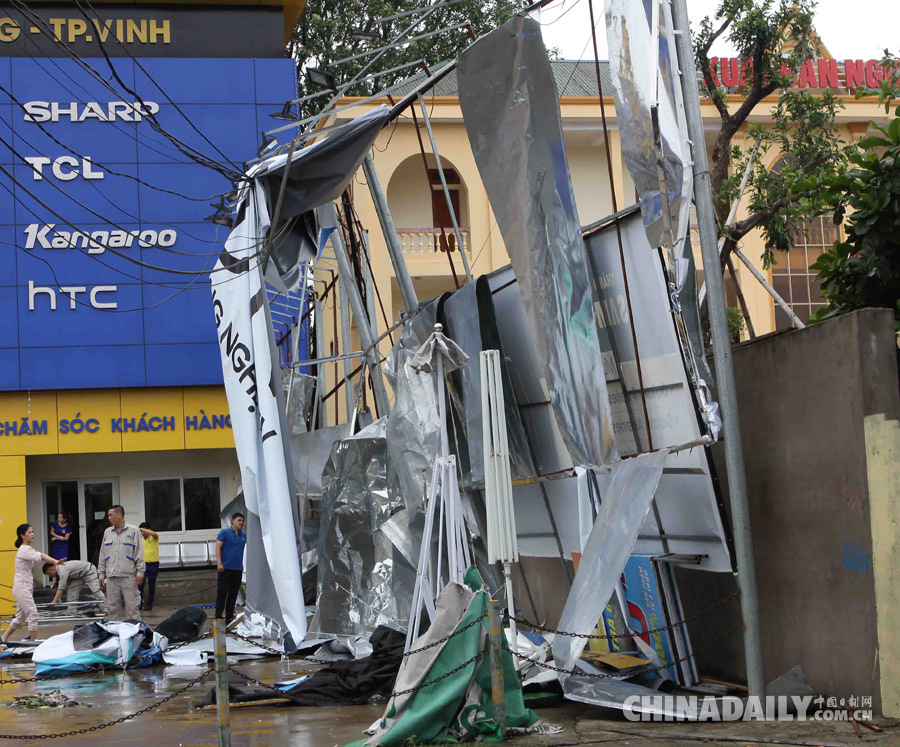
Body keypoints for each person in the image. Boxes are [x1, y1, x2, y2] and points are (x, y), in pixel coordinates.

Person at [1, 524, 64, 646]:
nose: (32, 534)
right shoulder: (24, 549)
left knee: (20, 617)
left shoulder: (28, 550)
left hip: (25, 587)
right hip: (22, 586)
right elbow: (41, 556)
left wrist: (53, 561)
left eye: (33, 531)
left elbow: (40, 557)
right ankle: (34, 645)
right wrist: (56, 561)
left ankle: (3, 638)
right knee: (33, 614)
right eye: (29, 532)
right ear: (22, 535)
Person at [97, 505, 144, 621]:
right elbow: (103, 554)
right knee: (112, 608)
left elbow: (139, 553)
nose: (108, 518)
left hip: (128, 576)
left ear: (120, 515)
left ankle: (135, 632)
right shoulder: (108, 532)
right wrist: (101, 574)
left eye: (111, 515)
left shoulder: (133, 531)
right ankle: (115, 633)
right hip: (112, 576)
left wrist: (140, 572)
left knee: (132, 607)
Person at [215, 512, 246, 625]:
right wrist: (219, 563)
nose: (241, 523)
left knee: (233, 594)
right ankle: (218, 616)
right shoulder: (225, 533)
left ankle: (229, 616)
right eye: (239, 520)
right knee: (222, 593)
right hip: (225, 568)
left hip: (237, 569)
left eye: (243, 521)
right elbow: (218, 547)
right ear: (233, 521)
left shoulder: (243, 536)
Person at [138, 522, 159, 612]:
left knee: (151, 585)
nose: (142, 533)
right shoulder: (141, 539)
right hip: (143, 564)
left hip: (153, 564)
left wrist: (141, 529)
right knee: (140, 585)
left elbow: (154, 534)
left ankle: (149, 604)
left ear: (148, 529)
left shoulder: (154, 537)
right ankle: (139, 603)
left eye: (143, 531)